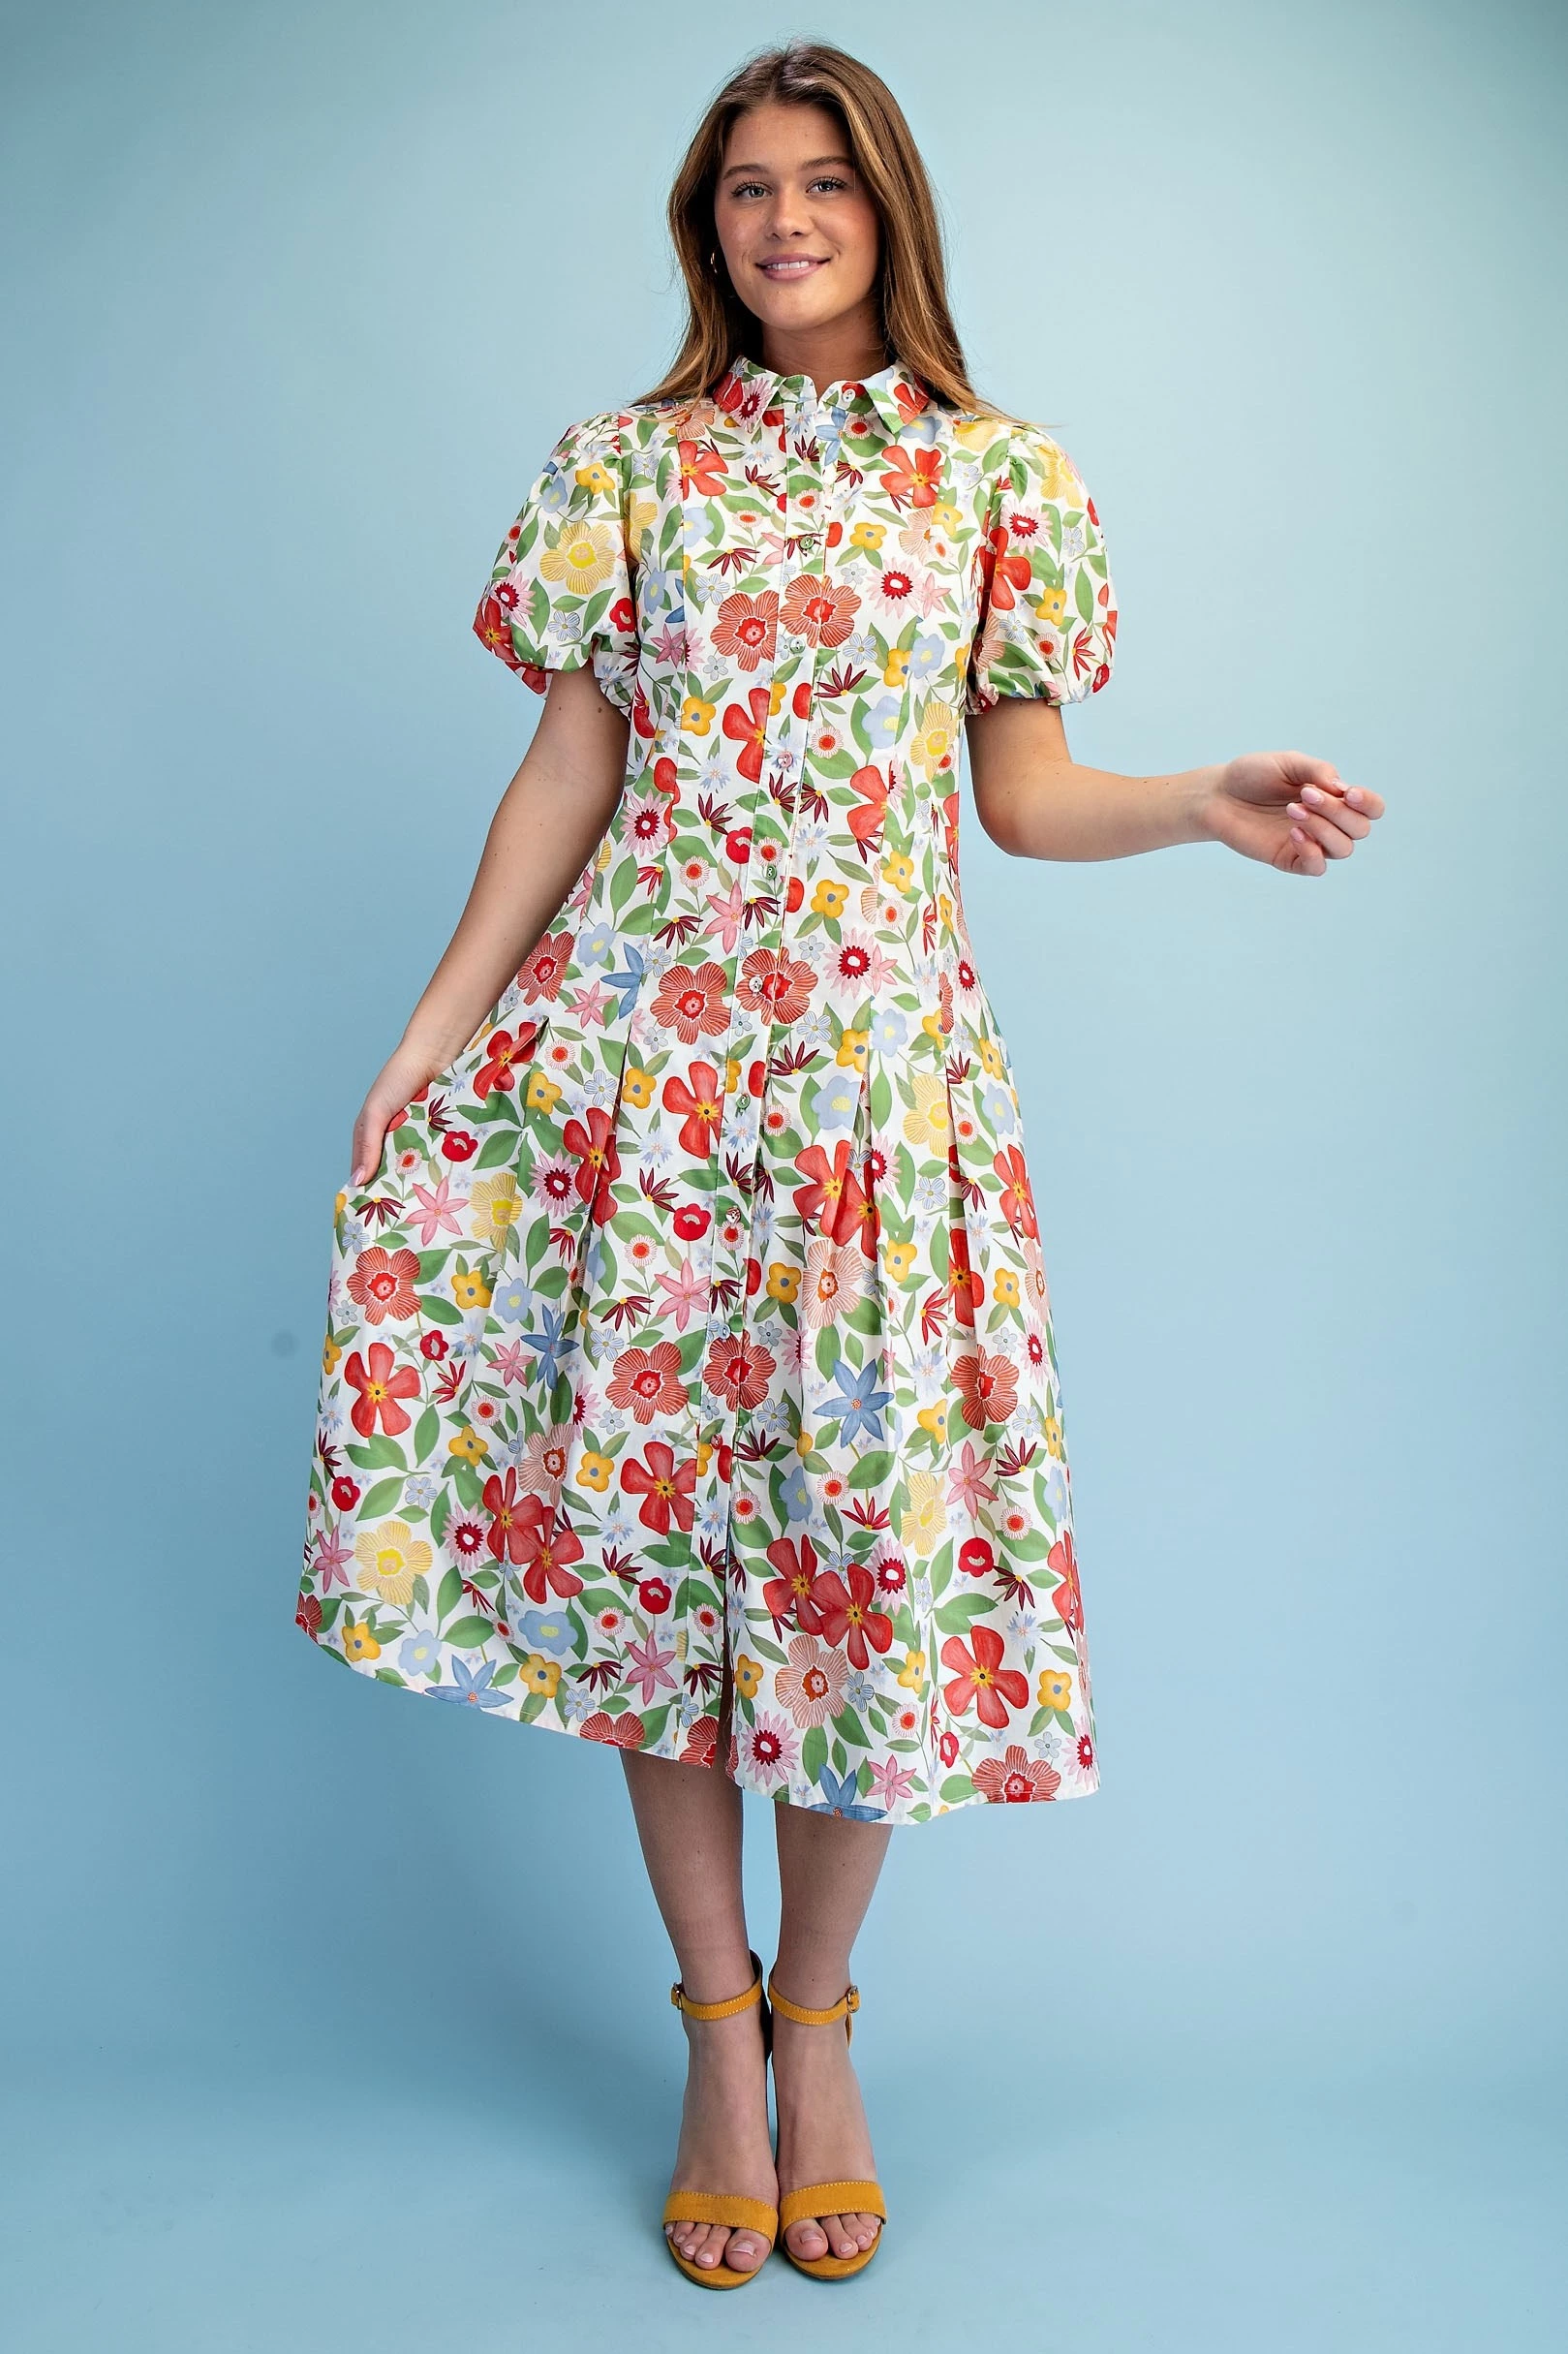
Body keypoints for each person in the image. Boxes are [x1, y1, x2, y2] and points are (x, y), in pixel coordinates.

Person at [296, 39, 1384, 2289]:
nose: (782, 221)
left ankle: (820, 2025)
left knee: (851, 1570)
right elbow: (565, 775)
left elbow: (1019, 797)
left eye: (822, 183)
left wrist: (1194, 802)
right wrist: (430, 1036)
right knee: (655, 1577)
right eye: (745, 188)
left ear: (889, 210)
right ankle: (716, 2039)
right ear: (703, 224)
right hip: (643, 1087)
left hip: (875, 1102)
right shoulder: (627, 468)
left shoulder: (995, 478)